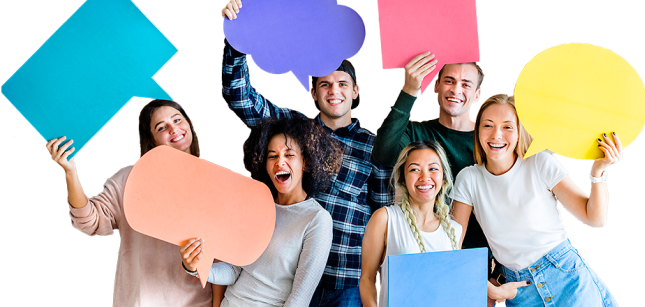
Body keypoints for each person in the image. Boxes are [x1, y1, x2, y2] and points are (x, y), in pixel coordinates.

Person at [220, 1, 394, 305]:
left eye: (342, 83)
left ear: (355, 91)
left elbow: (384, 214)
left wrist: (378, 279)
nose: (333, 91)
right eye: (324, 84)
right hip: (284, 279)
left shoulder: (373, 145)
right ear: (313, 92)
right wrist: (237, 36)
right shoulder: (293, 132)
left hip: (346, 282)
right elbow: (240, 96)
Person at [451, 93, 620, 306]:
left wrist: (598, 173)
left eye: (507, 127)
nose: (496, 135)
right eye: (488, 125)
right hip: (518, 290)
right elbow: (451, 243)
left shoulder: (539, 162)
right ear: (477, 131)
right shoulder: (469, 178)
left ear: (520, 131)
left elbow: (595, 218)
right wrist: (486, 286)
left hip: (565, 276)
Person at [45, 99, 213, 306]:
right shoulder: (129, 179)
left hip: (198, 302)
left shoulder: (215, 181)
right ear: (151, 140)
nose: (173, 129)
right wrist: (70, 172)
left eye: (177, 120)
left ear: (188, 124)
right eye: (162, 127)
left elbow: (225, 257)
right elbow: (88, 222)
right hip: (141, 301)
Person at [371, 52, 498, 302]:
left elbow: (508, 203)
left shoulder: (490, 143)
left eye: (466, 84)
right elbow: (383, 152)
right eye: (449, 80)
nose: (456, 89)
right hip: (418, 262)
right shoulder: (416, 132)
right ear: (436, 85)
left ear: (477, 95)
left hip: (474, 268)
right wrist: (409, 89)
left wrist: (499, 274)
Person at [179, 114, 339, 307]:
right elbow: (234, 271)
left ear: (305, 163)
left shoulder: (317, 219)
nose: (280, 163)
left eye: (289, 155)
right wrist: (194, 266)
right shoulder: (257, 206)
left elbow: (299, 300)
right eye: (272, 156)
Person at [360, 140, 463, 307]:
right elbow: (367, 279)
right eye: (415, 169)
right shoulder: (385, 219)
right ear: (402, 177)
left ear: (443, 177)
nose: (425, 177)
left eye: (433, 169)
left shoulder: (455, 230)